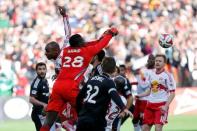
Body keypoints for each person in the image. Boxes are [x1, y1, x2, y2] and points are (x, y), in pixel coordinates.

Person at [40, 27, 119, 131]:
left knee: (49, 120)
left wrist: (103, 35)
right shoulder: (87, 51)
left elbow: (88, 43)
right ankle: (74, 125)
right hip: (72, 87)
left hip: (58, 86)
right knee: (87, 115)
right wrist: (110, 34)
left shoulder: (65, 50)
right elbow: (100, 44)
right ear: (80, 43)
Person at [76, 57, 132, 131]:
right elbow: (114, 94)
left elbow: (78, 98)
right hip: (96, 121)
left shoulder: (92, 79)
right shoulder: (109, 82)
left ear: (102, 68)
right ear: (114, 70)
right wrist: (124, 108)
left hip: (82, 119)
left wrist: (80, 114)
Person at [136, 54, 176, 131]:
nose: (157, 62)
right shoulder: (151, 74)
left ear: (164, 64)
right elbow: (149, 90)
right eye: (156, 61)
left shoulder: (168, 76)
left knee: (158, 129)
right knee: (144, 129)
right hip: (149, 105)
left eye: (160, 61)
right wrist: (140, 95)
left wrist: (166, 106)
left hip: (161, 106)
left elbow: (173, 93)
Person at [132, 54, 155, 131]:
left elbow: (143, 85)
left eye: (152, 60)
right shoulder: (145, 71)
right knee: (135, 119)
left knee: (142, 120)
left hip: (146, 99)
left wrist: (138, 76)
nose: (150, 61)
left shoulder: (146, 71)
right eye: (150, 60)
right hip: (141, 98)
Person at [29, 62, 49, 131]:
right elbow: (31, 99)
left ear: (46, 70)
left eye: (43, 69)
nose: (42, 71)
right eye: (40, 69)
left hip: (45, 114)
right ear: (36, 71)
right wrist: (44, 104)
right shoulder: (36, 83)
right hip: (38, 114)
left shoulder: (45, 81)